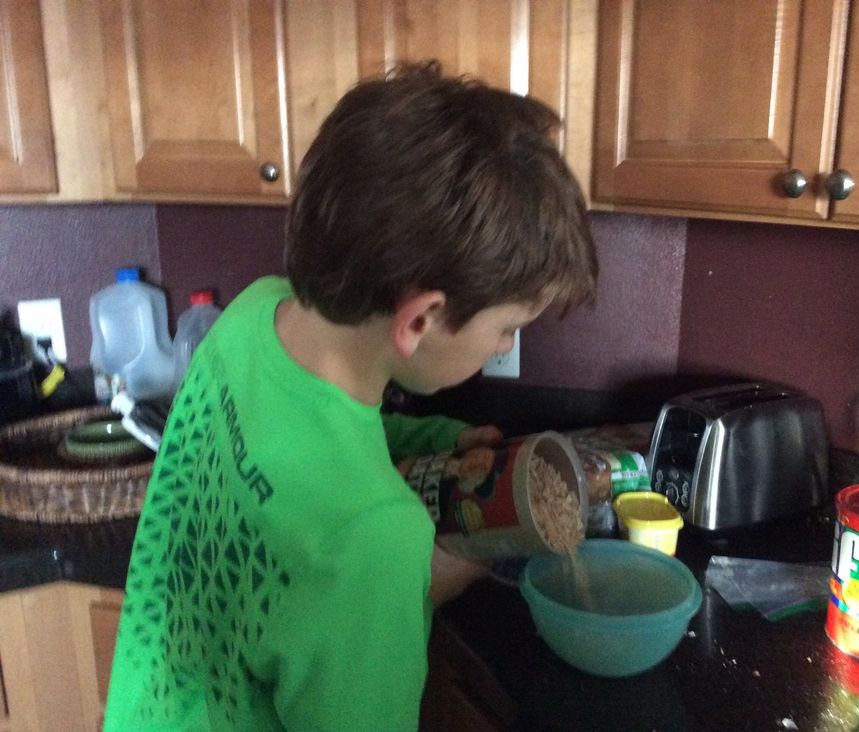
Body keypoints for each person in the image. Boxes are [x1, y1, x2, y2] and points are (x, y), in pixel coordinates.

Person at [102, 61, 597, 731]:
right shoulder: (376, 540)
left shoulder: (252, 317)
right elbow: (351, 554)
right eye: (506, 328)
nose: (501, 346)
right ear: (419, 319)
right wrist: (436, 572)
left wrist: (438, 442)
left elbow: (305, 434)